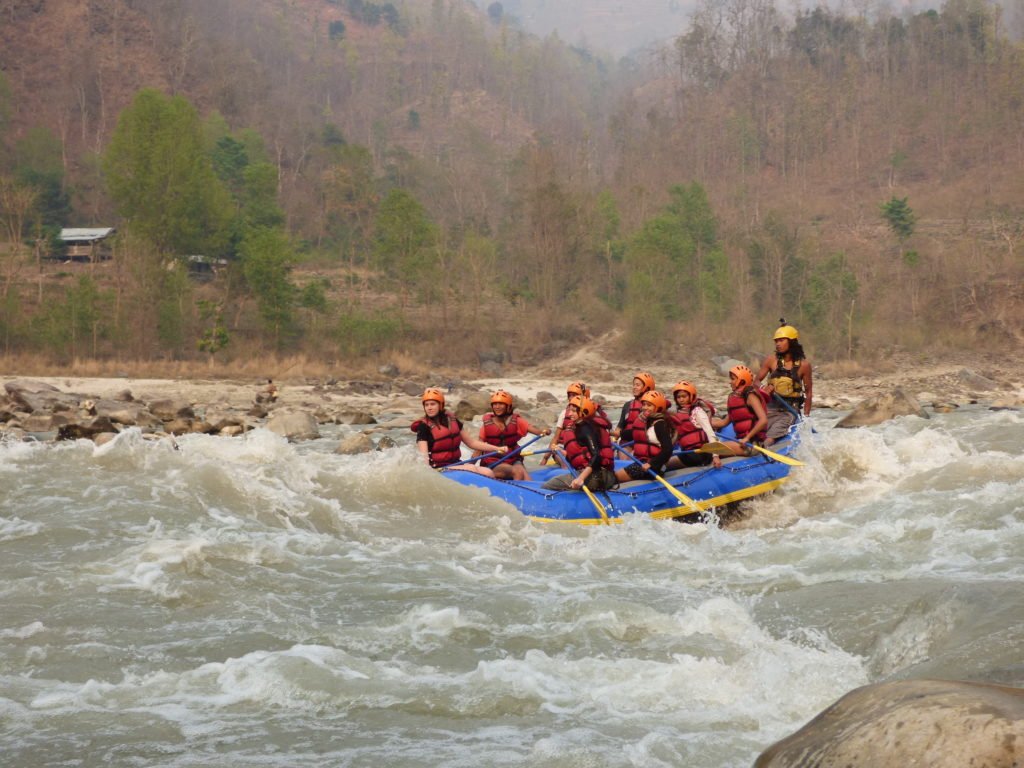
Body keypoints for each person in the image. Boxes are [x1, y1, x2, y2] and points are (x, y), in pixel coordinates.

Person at [411, 388, 507, 476]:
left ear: (440, 405)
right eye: (426, 405)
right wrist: (428, 474)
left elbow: (472, 443)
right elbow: (424, 457)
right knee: (471, 468)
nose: (429, 408)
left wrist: (497, 448)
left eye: (432, 404)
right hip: (438, 468)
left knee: (488, 472)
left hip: (456, 463)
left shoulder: (452, 420)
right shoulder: (423, 427)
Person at [755, 320, 813, 446]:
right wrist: (764, 387)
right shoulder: (771, 360)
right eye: (776, 341)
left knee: (771, 437)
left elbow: (808, 393)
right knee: (755, 429)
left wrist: (806, 418)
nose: (777, 344)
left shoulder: (804, 365)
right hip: (770, 408)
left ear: (791, 342)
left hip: (789, 411)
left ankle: (767, 447)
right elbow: (756, 381)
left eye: (781, 340)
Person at [542, 395, 617, 491]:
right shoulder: (586, 426)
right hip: (604, 476)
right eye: (569, 410)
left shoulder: (585, 428)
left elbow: (596, 456)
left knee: (547, 486)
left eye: (573, 411)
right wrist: (560, 451)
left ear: (583, 412)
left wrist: (580, 478)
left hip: (595, 477)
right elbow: (584, 454)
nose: (569, 414)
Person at [476, 389, 551, 481]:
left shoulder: (517, 421)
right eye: (495, 404)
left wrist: (545, 431)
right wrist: (471, 466)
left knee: (522, 472)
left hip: (512, 459)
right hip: (494, 462)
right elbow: (478, 449)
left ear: (508, 407)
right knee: (516, 471)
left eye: (501, 404)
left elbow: (537, 431)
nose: (497, 407)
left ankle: (536, 492)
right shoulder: (487, 425)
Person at [615, 390, 676, 482]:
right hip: (643, 463)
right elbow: (634, 433)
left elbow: (668, 449)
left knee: (615, 477)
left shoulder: (660, 424)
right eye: (643, 405)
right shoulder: (648, 421)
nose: (645, 408)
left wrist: (651, 463)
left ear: (658, 407)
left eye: (649, 405)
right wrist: (615, 434)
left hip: (652, 468)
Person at [712, 365, 769, 457]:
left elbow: (763, 420)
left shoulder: (750, 396)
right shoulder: (735, 398)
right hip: (741, 441)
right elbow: (723, 423)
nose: (730, 382)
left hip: (753, 444)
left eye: (733, 379)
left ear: (741, 381)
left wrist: (747, 437)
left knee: (714, 449)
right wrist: (702, 422)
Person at [666, 380, 722, 469]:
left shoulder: (697, 411)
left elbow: (710, 433)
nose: (681, 399)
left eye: (684, 396)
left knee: (666, 464)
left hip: (700, 454)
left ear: (691, 396)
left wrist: (715, 456)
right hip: (689, 453)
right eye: (678, 397)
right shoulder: (678, 414)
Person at [540, 381, 589, 466]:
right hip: (563, 448)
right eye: (569, 395)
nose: (570, 398)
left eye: (574, 395)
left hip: (581, 450)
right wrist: (545, 458)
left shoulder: (589, 414)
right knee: (561, 457)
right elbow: (556, 437)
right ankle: (566, 472)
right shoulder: (564, 414)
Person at [612, 371, 656, 439]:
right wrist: (614, 438)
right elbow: (620, 427)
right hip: (626, 443)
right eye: (634, 385)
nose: (634, 387)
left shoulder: (653, 406)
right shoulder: (627, 405)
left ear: (647, 388)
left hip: (642, 441)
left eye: (638, 385)